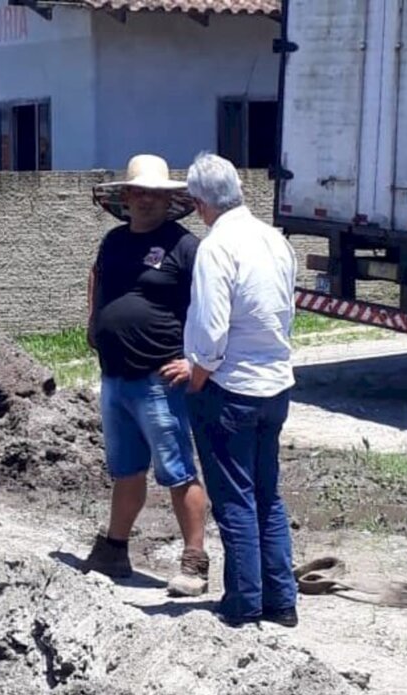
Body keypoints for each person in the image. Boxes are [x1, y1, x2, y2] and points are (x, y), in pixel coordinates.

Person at [82, 154, 211, 597]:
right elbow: (96, 282)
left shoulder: (184, 247)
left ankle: (194, 561)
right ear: (127, 197)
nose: (146, 200)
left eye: (156, 194)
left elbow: (210, 307)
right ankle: (114, 549)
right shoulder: (114, 241)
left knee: (177, 470)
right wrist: (93, 324)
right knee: (126, 470)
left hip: (161, 378)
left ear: (168, 200)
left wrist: (195, 361)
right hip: (115, 377)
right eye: (139, 192)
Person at [182, 152, 299, 627]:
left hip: (231, 388)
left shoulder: (216, 248)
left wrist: (196, 377)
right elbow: (286, 310)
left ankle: (242, 604)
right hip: (275, 385)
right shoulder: (275, 240)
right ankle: (282, 601)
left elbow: (211, 332)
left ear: (198, 203)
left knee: (235, 501)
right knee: (268, 496)